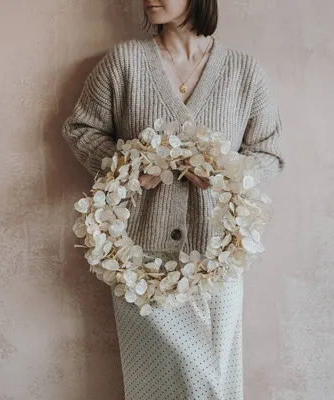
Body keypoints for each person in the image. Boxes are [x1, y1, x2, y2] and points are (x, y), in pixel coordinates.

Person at [62, 0, 285, 398]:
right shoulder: (124, 63)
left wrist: (224, 175)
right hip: (138, 262)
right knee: (164, 383)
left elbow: (269, 151)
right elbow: (81, 128)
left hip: (218, 260)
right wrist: (126, 169)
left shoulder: (243, 72)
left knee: (217, 379)